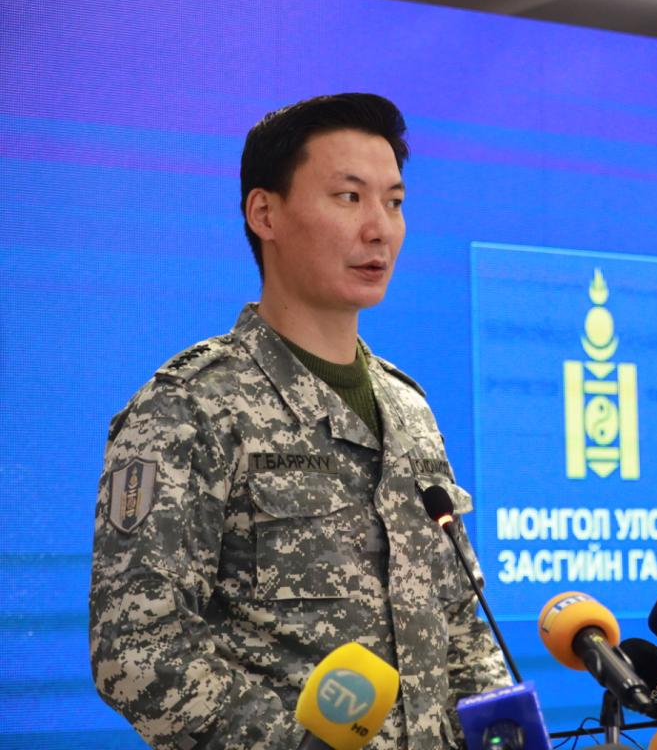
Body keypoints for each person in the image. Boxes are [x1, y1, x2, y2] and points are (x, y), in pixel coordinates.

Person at [90, 93, 511, 748]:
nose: (379, 228)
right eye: (349, 197)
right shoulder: (190, 407)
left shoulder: (409, 409)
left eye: (394, 202)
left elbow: (461, 624)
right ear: (266, 213)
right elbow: (137, 648)